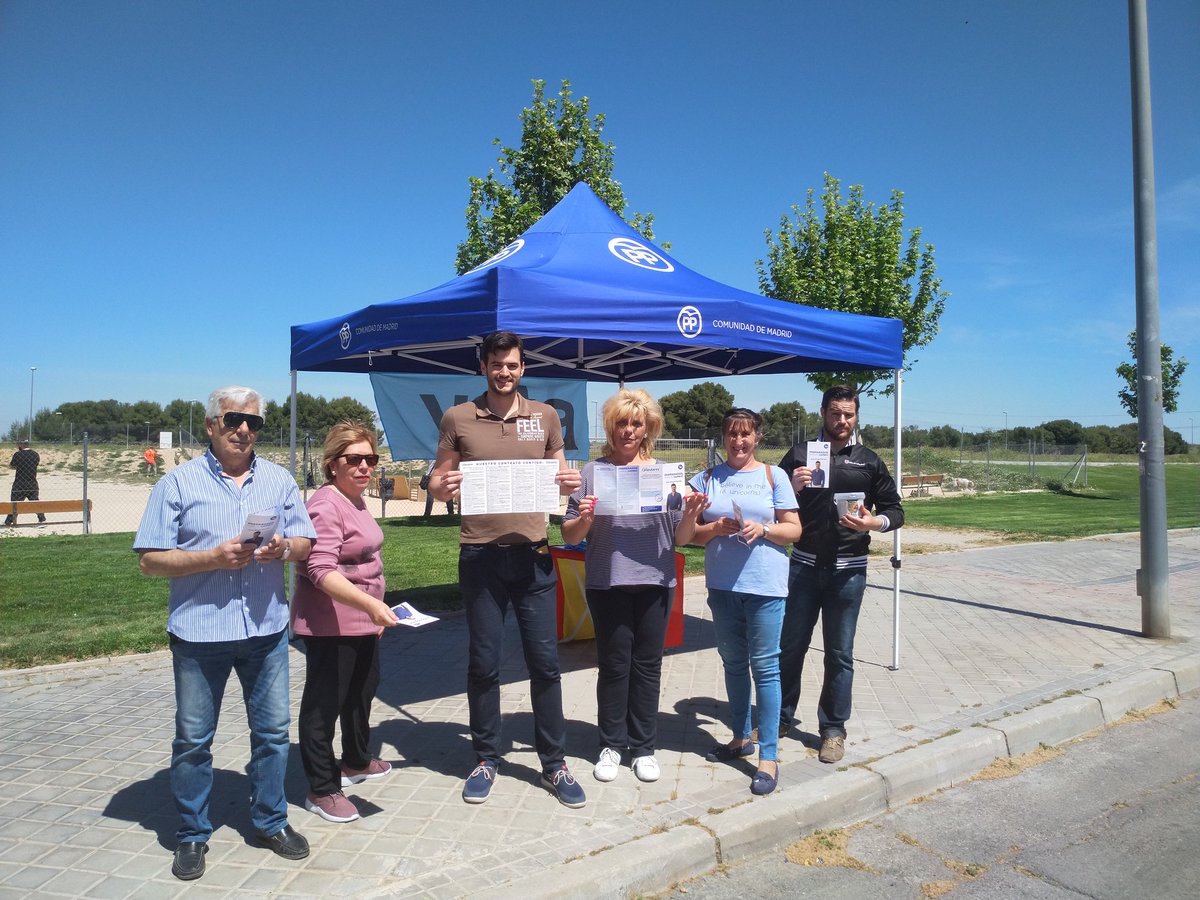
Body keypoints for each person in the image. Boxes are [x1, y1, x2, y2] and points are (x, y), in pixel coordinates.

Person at [133, 386, 318, 882]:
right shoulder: (176, 485)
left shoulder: (278, 481)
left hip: (266, 629)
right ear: (212, 425)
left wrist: (283, 548)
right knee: (194, 740)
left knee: (274, 735)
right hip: (200, 635)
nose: (244, 430)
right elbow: (150, 560)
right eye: (234, 420)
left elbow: (306, 542)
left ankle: (270, 821)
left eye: (253, 423)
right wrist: (214, 557)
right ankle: (192, 834)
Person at [429, 331, 586, 808]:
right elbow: (438, 478)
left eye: (513, 365)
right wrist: (441, 486)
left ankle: (554, 763)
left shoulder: (546, 416)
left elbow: (561, 475)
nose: (505, 372)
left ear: (523, 368)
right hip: (480, 557)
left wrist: (569, 480)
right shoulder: (458, 416)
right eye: (497, 364)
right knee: (484, 664)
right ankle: (485, 757)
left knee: (545, 665)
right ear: (483, 366)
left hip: (534, 557)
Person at [676, 408, 800, 796]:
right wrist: (708, 525)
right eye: (732, 434)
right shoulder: (706, 479)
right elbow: (686, 536)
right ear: (723, 437)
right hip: (723, 587)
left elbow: (794, 529)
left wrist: (763, 528)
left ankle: (768, 756)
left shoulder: (773, 476)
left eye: (746, 434)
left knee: (764, 667)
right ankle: (740, 737)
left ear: (757, 437)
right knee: (732, 663)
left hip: (766, 586)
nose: (739, 441)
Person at [777, 386, 904, 764]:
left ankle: (833, 731)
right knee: (790, 648)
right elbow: (773, 505)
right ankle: (778, 720)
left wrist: (874, 523)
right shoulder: (800, 455)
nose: (842, 421)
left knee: (839, 654)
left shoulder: (869, 461)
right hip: (802, 566)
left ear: (857, 415)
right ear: (823, 413)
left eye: (849, 414)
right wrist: (792, 487)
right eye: (835, 413)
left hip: (849, 573)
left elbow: (896, 511)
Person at [562, 388, 682, 784]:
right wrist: (584, 517)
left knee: (648, 667)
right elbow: (569, 533)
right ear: (610, 427)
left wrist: (694, 513)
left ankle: (644, 748)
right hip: (607, 579)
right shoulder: (591, 473)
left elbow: (682, 534)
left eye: (636, 423)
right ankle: (611, 744)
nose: (628, 430)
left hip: (655, 580)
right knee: (614, 666)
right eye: (621, 423)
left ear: (648, 427)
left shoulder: (665, 474)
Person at [292, 421, 401, 824]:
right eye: (353, 459)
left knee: (362, 690)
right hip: (331, 621)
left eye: (370, 459)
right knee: (325, 704)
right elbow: (320, 570)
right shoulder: (326, 503)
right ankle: (321, 788)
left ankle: (355, 760)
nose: (364, 467)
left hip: (365, 618)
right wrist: (369, 605)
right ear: (332, 463)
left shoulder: (356, 499)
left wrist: (375, 607)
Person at [5, 439, 45, 525]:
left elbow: (12, 466)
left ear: (20, 445)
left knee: (14, 502)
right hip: (32, 483)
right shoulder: (35, 454)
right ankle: (42, 519)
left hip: (20, 483)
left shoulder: (18, 454)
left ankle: (9, 521)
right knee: (35, 502)